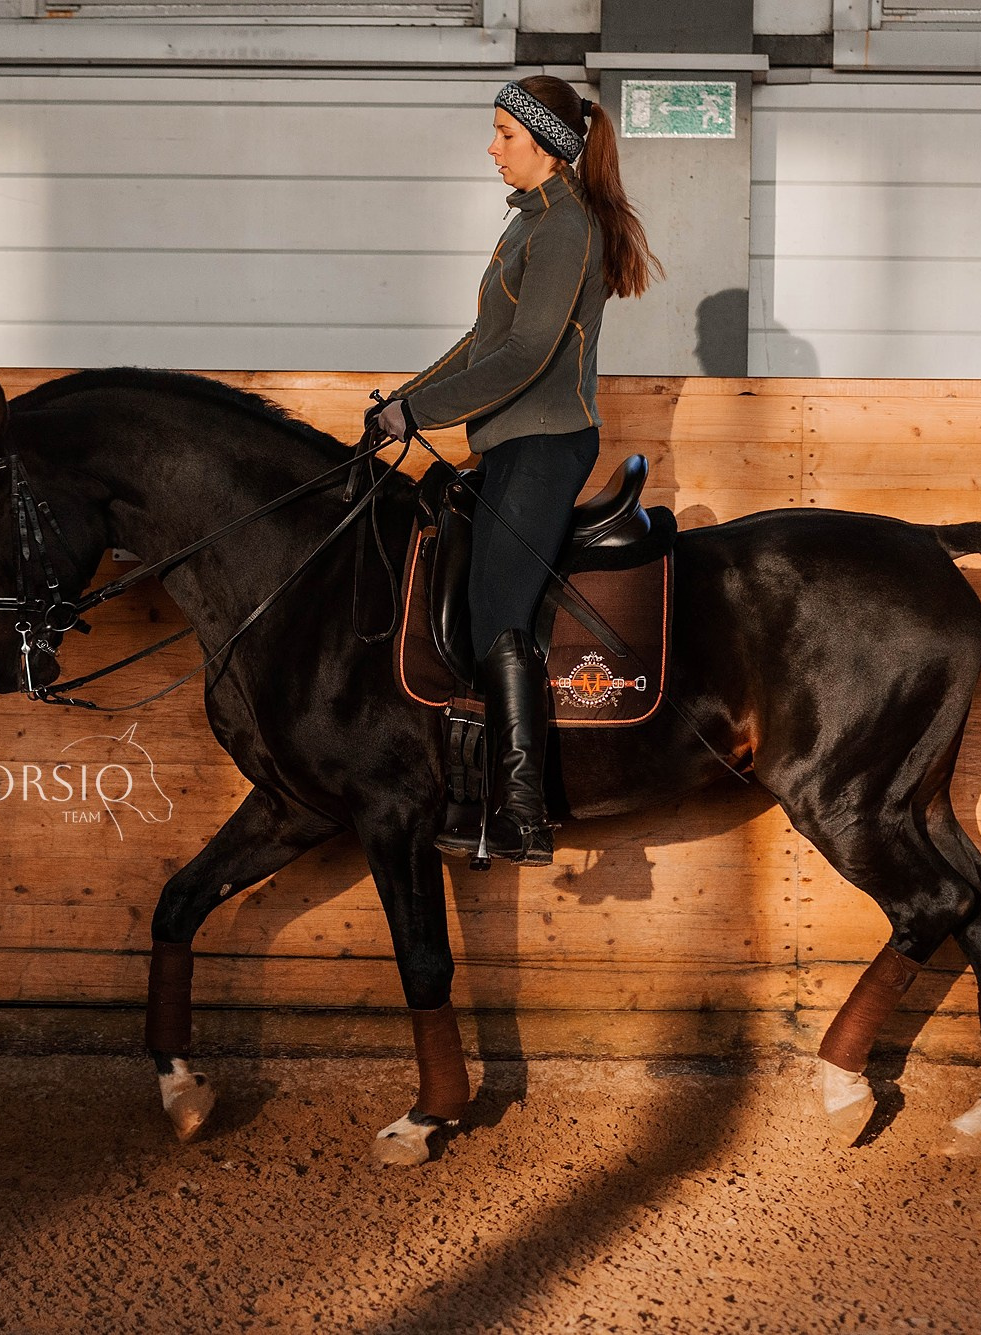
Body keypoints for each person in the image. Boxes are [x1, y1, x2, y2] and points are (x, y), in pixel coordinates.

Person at [373, 75, 662, 866]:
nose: (492, 147)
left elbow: (527, 355)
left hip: (546, 442)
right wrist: (405, 401)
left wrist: (422, 413)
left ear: (548, 145)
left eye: (505, 133)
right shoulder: (526, 225)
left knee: (498, 606)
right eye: (495, 132)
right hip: (507, 442)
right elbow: (480, 340)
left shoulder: (565, 227)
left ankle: (523, 814)